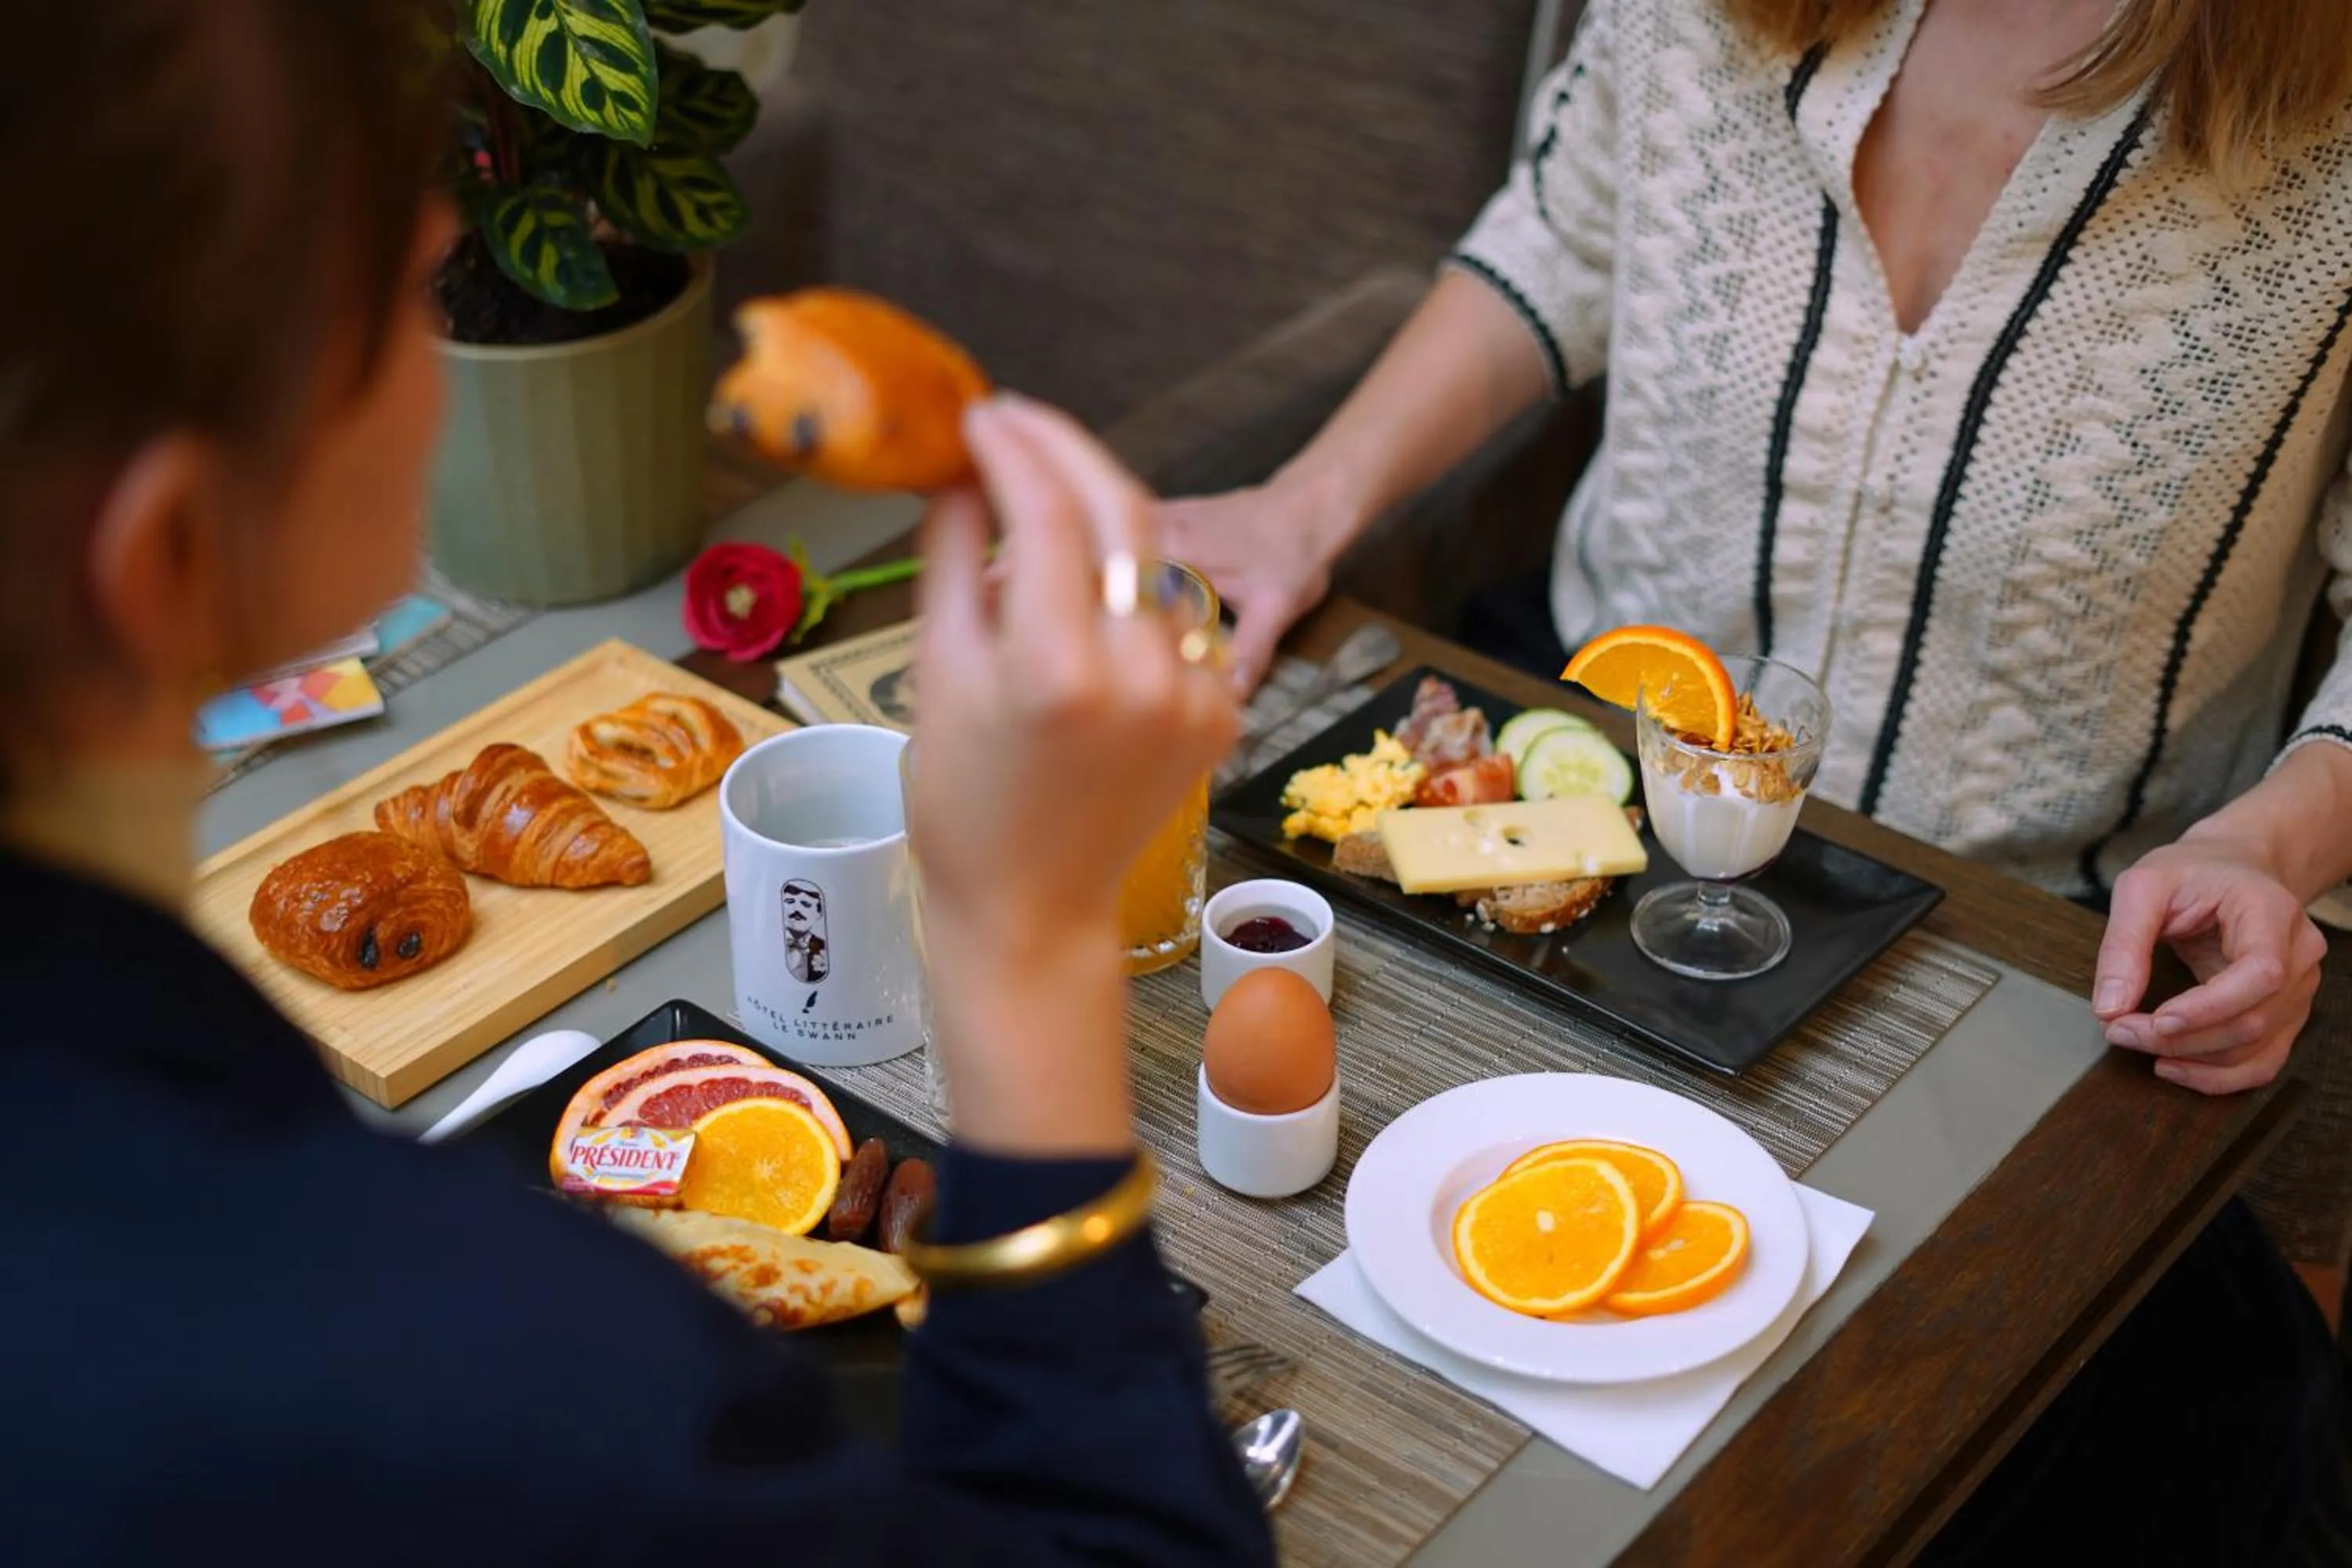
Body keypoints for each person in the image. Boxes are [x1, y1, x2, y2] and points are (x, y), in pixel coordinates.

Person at [1, 4, 1266, 1563]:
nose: (452, 278)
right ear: (174, 550)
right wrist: (1026, 941)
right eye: (403, 287)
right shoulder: (494, 1373)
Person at [1163, 0, 2347, 1560]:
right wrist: (1307, 501)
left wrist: (2274, 839)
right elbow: (1569, 236)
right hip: (1585, 837)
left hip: (2039, 945)